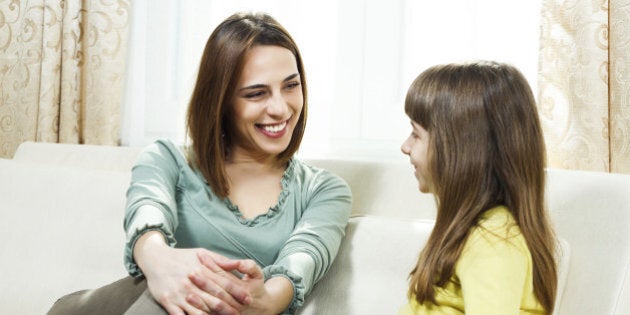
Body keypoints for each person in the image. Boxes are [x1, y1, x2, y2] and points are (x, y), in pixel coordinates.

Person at [48, 12, 352, 315]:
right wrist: (162, 264)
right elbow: (147, 210)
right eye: (256, 93)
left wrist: (267, 300)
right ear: (220, 100)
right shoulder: (167, 159)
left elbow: (303, 259)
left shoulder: (324, 191)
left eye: (290, 86)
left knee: (196, 288)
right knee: (179, 288)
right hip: (98, 307)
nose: (280, 107)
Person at [398, 61, 558, 314]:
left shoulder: (494, 240)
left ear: (462, 150)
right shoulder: (474, 232)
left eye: (416, 134)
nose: (405, 146)